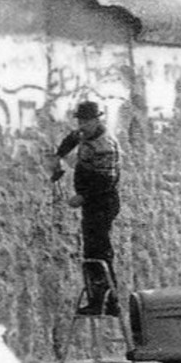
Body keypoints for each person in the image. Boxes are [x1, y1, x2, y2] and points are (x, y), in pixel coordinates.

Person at [49, 101, 123, 315]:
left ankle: (105, 302)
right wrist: (59, 155)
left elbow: (106, 181)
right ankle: (102, 299)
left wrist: (82, 196)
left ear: (97, 120)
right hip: (92, 203)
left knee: (99, 251)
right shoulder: (85, 134)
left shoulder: (105, 144)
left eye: (86, 121)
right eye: (80, 121)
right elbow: (73, 138)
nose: (82, 126)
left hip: (102, 202)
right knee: (92, 250)